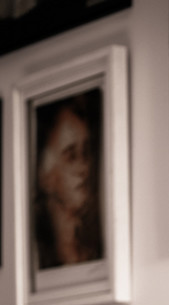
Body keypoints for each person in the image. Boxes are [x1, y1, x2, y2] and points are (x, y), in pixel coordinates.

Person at [34, 90, 103, 269]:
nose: (84, 168)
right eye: (71, 156)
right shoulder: (38, 255)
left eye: (85, 154)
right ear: (45, 175)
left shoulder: (94, 252)